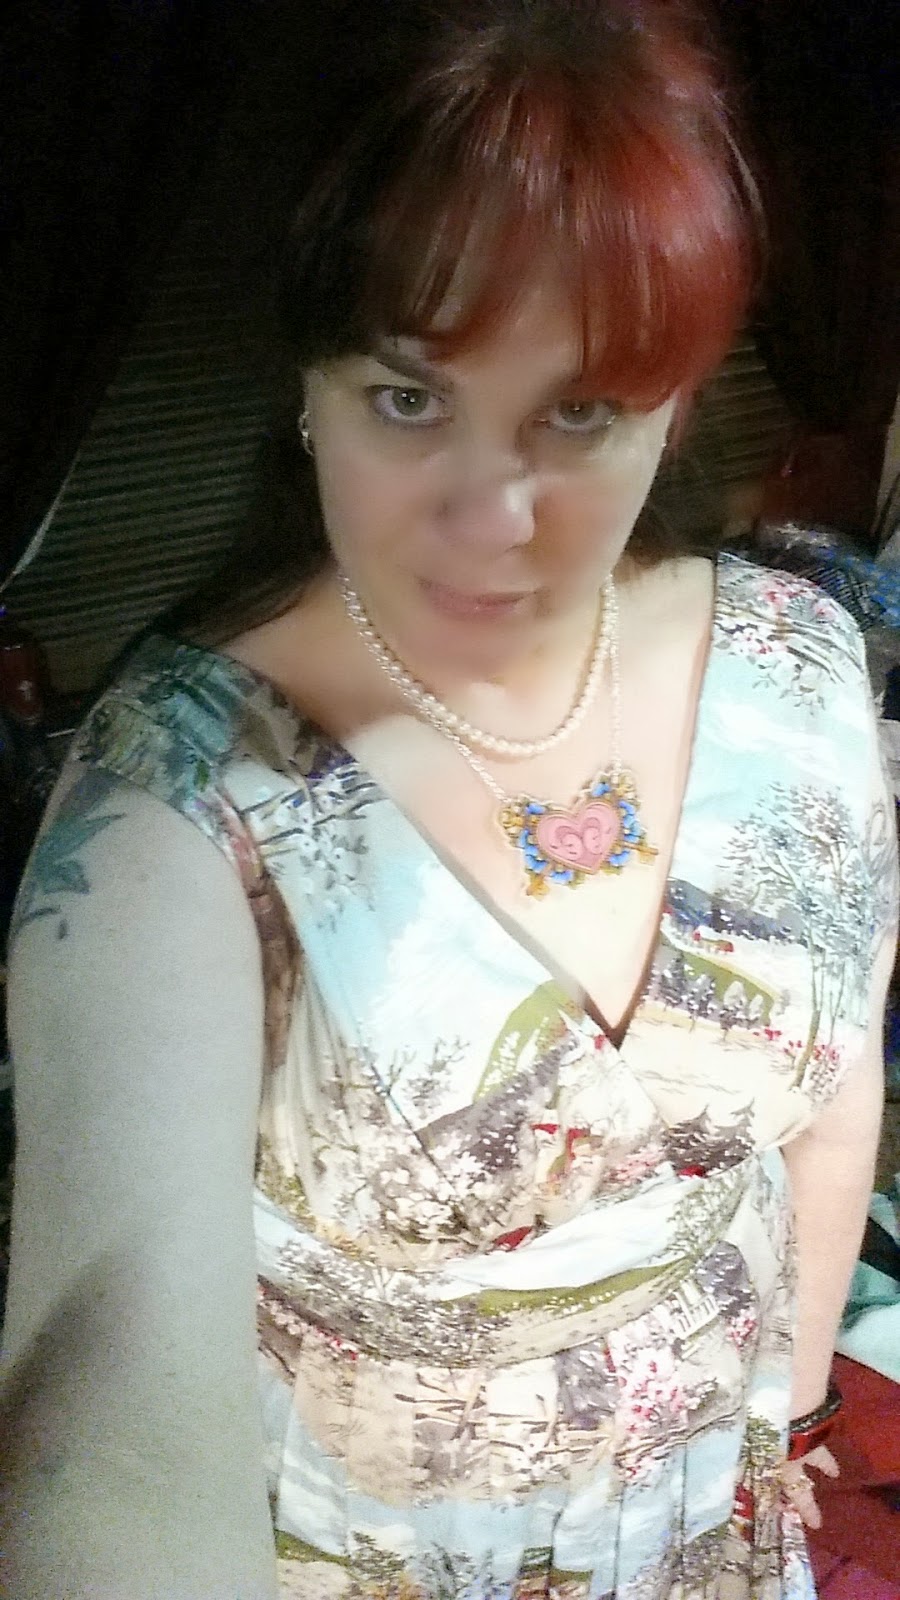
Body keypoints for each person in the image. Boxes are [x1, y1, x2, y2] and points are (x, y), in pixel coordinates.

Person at [1, 2, 896, 1596]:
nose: (493, 516)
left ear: (675, 397)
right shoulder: (174, 808)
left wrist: (789, 1404)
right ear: (310, 389)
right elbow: (109, 1370)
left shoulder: (799, 663)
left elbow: (828, 1109)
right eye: (411, 398)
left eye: (580, 411)